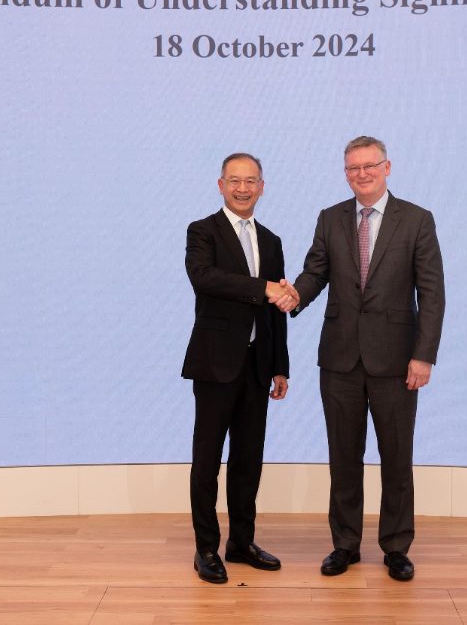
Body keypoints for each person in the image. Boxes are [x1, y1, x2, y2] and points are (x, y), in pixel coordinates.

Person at [290, 136, 445, 582]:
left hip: (396, 361)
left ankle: (396, 547)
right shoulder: (330, 218)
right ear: (345, 173)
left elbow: (432, 293)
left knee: (397, 458)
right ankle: (345, 545)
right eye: (353, 168)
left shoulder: (416, 219)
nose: (361, 174)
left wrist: (423, 355)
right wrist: (294, 295)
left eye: (369, 166)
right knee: (343, 457)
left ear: (386, 167)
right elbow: (316, 272)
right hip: (339, 359)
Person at [182, 152, 296, 584]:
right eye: (235, 180)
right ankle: (206, 548)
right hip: (215, 363)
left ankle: (241, 542)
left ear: (262, 187)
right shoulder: (202, 231)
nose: (243, 188)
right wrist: (262, 287)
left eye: (251, 181)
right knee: (207, 460)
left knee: (249, 459)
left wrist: (280, 366)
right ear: (221, 185)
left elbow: (276, 310)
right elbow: (204, 277)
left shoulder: (271, 240)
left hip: (257, 365)